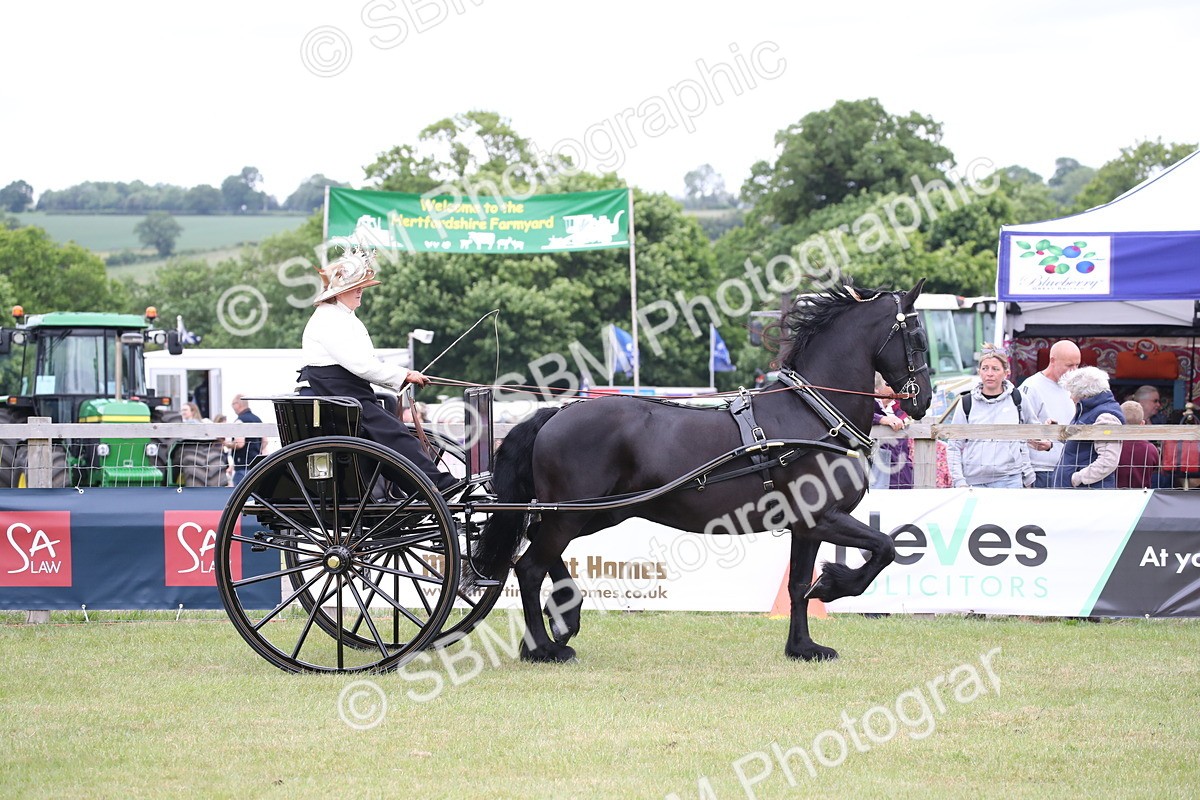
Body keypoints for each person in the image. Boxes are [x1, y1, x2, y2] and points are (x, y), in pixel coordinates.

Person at [299, 247, 457, 494]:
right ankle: (432, 484)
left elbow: (364, 363)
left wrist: (402, 376)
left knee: (390, 409)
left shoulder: (343, 316)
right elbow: (361, 365)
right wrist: (405, 375)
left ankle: (406, 486)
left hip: (347, 389)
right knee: (393, 432)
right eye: (356, 287)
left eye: (362, 287)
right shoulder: (329, 319)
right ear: (339, 292)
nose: (361, 291)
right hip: (337, 391)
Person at [946, 345, 1036, 489]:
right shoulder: (966, 403)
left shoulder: (1018, 399)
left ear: (1006, 372)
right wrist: (959, 481)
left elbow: (1035, 431)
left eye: (995, 369)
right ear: (979, 372)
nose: (989, 374)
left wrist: (1047, 441)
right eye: (985, 368)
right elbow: (954, 446)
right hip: (974, 481)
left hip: (1010, 479)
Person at [1018, 340, 1081, 487]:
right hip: (1041, 470)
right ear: (1052, 361)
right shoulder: (1031, 388)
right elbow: (1019, 430)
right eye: (1069, 365)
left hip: (1071, 468)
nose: (1074, 371)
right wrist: (1027, 474)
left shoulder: (1075, 387)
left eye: (1077, 365)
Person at [1051, 366, 1126, 488]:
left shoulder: (1105, 416)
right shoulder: (1089, 411)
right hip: (1079, 491)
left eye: (1072, 392)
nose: (1071, 397)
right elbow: (1082, 444)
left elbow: (1108, 461)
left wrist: (1077, 478)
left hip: (1087, 492)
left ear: (1084, 393)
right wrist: (1057, 431)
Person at [870, 373, 912, 489]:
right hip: (878, 477)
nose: (895, 386)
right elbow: (856, 416)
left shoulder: (901, 407)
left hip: (904, 475)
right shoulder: (867, 406)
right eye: (888, 383)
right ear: (877, 388)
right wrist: (880, 419)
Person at [1115, 400, 1159, 489]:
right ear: (1142, 424)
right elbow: (1155, 468)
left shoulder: (1113, 447)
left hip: (1115, 493)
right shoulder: (1151, 449)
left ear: (1119, 422)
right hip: (1143, 494)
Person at [229, 394, 263, 487]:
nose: (232, 407)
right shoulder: (257, 419)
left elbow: (240, 444)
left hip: (242, 465)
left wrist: (226, 444)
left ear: (238, 404)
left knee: (239, 492)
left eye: (233, 404)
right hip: (255, 465)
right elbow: (265, 441)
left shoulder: (240, 421)